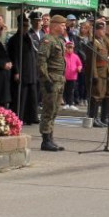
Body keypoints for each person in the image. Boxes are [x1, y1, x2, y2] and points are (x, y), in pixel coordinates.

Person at [37, 15, 68, 151]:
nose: (64, 27)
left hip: (59, 80)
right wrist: (46, 79)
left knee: (55, 109)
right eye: (62, 25)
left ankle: (50, 137)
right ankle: (45, 140)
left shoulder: (59, 40)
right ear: (54, 25)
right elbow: (41, 61)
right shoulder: (47, 40)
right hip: (51, 80)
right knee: (48, 109)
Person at [7, 13, 41, 125]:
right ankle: (19, 116)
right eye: (24, 25)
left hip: (30, 71)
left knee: (31, 96)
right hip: (22, 71)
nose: (25, 28)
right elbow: (14, 57)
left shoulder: (28, 38)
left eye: (27, 25)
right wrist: (16, 71)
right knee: (21, 96)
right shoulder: (14, 39)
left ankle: (31, 117)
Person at [85, 20, 109, 128]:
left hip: (103, 73)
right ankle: (93, 118)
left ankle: (97, 118)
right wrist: (94, 75)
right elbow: (92, 61)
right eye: (101, 30)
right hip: (97, 73)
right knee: (95, 96)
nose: (103, 31)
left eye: (103, 29)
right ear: (95, 30)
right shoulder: (93, 43)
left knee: (100, 96)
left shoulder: (102, 42)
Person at [62, 40, 82, 110]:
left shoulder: (76, 56)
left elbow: (79, 64)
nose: (70, 49)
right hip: (65, 76)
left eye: (71, 48)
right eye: (68, 47)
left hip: (73, 76)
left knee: (71, 90)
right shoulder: (63, 56)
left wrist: (79, 68)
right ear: (65, 48)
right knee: (65, 90)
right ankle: (66, 103)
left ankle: (70, 103)